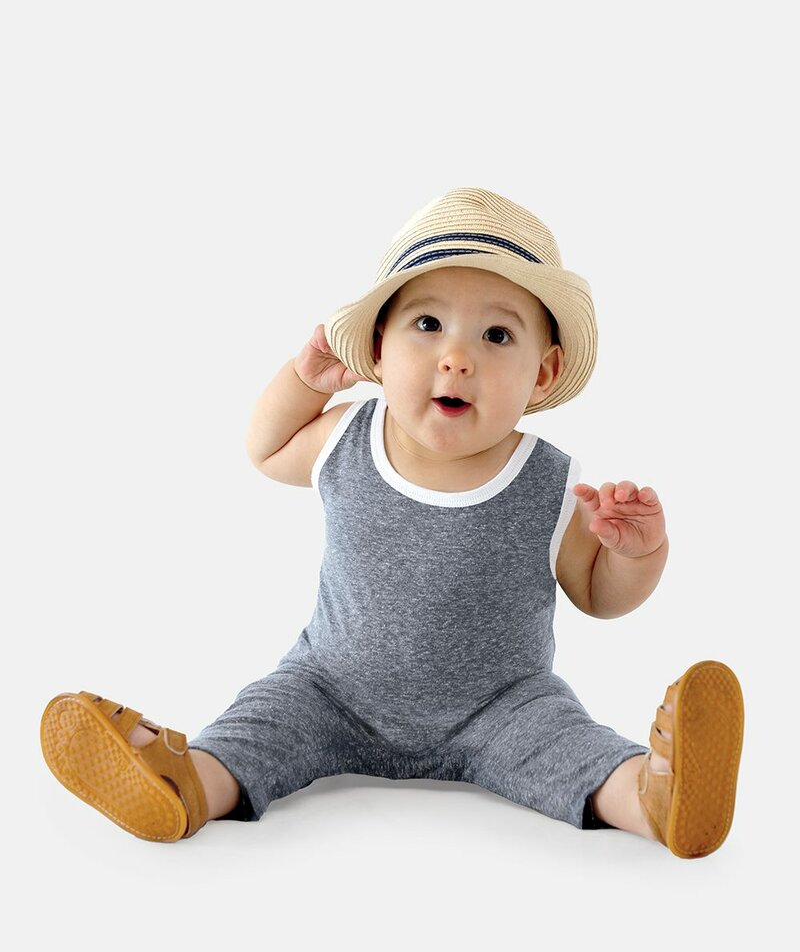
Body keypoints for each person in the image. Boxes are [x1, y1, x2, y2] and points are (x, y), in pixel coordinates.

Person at [40, 187, 744, 858]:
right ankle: (184, 782)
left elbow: (598, 595)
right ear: (378, 349)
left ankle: (653, 795)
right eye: (427, 325)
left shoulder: (549, 480)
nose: (456, 358)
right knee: (260, 727)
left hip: (504, 705)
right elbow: (266, 449)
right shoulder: (347, 437)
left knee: (573, 749)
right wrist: (305, 382)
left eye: (497, 334)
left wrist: (637, 555)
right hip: (330, 689)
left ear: (543, 372)